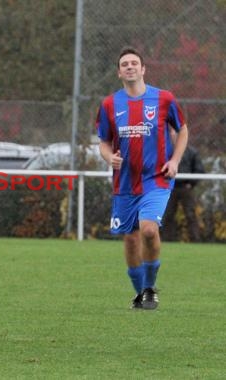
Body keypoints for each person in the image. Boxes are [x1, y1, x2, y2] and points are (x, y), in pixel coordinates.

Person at [96, 46, 188, 310]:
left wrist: (175, 160)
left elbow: (182, 130)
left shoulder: (164, 99)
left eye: (134, 63)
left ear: (143, 68)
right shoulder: (110, 104)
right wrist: (107, 157)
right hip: (125, 182)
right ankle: (140, 293)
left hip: (156, 179)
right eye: (124, 64)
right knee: (131, 239)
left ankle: (149, 289)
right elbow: (103, 142)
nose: (130, 67)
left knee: (148, 230)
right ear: (118, 72)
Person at [161, 144, 205, 242]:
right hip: (170, 187)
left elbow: (199, 170)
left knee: (190, 215)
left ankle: (195, 240)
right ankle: (167, 240)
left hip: (186, 188)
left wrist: (191, 183)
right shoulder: (167, 150)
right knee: (168, 214)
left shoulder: (192, 151)